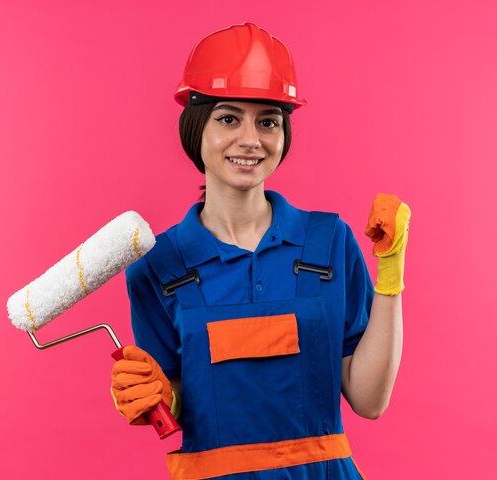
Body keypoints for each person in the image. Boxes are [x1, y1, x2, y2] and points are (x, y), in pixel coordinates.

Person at [110, 22, 410, 480]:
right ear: (196, 127)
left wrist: (389, 276)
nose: (251, 139)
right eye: (228, 118)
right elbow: (173, 397)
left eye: (268, 120)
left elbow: (369, 401)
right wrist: (158, 399)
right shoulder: (158, 264)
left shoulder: (328, 242)